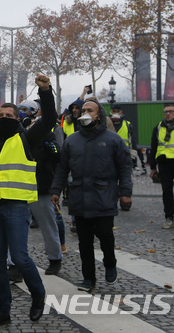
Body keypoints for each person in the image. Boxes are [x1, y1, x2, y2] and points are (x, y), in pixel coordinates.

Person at [0, 74, 54, 328]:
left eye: (9, 116)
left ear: (18, 119)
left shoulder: (27, 137)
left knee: (20, 256)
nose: (4, 118)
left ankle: (38, 294)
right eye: (0, 115)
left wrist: (46, 91)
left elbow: (49, 119)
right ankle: (1, 310)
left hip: (17, 206)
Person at [51, 100, 133, 293]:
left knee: (105, 235)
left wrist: (126, 193)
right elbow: (62, 168)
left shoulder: (113, 140)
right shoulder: (72, 140)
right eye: (83, 110)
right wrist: (56, 190)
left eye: (90, 110)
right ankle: (88, 278)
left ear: (99, 115)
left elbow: (124, 167)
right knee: (84, 241)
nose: (85, 113)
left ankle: (110, 263)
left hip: (104, 196)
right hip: (79, 197)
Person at [17, 99, 64, 275]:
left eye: (26, 109)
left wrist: (51, 149)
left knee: (47, 224)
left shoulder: (46, 132)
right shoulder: (14, 131)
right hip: (19, 186)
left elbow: (58, 155)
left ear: (35, 112)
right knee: (17, 228)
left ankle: (55, 258)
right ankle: (14, 263)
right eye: (19, 109)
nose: (22, 112)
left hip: (41, 185)